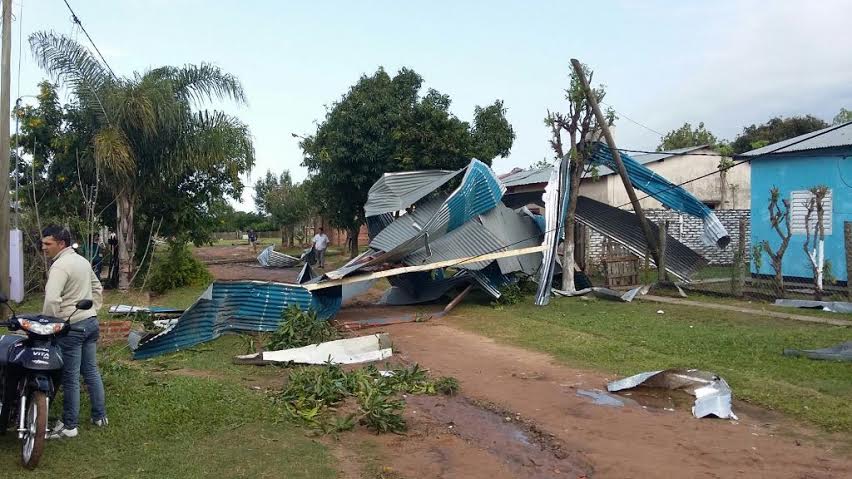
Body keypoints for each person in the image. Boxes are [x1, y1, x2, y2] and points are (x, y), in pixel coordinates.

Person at [40, 225, 107, 439]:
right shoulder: (82, 261)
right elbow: (97, 287)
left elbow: (52, 299)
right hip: (90, 323)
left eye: (48, 243)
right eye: (43, 243)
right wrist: (93, 309)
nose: (43, 247)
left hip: (71, 327)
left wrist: (48, 325)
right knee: (91, 371)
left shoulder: (60, 266)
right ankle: (99, 417)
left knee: (70, 377)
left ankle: (70, 426)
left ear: (61, 244)